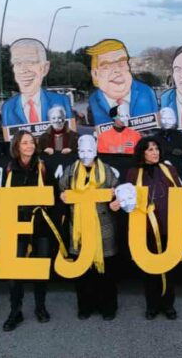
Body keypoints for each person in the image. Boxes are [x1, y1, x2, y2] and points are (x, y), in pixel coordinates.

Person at [58, 135, 121, 320]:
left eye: (89, 150)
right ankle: (85, 307)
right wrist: (62, 195)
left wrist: (116, 199)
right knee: (83, 271)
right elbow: (61, 187)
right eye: (82, 150)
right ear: (78, 151)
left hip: (103, 227)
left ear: (96, 150)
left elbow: (117, 191)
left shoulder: (107, 170)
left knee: (106, 272)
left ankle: (108, 307)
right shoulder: (71, 171)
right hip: (79, 228)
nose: (86, 154)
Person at [2, 131, 57, 331]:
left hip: (40, 227)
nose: (30, 146)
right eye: (25, 143)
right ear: (17, 146)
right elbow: (2, 198)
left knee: (40, 270)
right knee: (14, 272)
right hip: (16, 227)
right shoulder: (9, 168)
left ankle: (40, 307)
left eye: (32, 142)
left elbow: (54, 195)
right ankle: (15, 311)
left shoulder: (44, 166)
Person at [125, 137, 182, 320]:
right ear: (142, 152)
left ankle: (168, 305)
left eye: (156, 149)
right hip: (145, 229)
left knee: (169, 268)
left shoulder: (169, 170)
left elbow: (180, 195)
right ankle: (152, 305)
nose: (155, 152)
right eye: (150, 149)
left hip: (169, 226)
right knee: (149, 269)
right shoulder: (133, 173)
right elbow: (128, 199)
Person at [0, 38, 73, 126]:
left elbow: (69, 131)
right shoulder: (8, 107)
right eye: (18, 63)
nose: (23, 70)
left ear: (45, 68)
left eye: (30, 62)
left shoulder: (61, 101)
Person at [86, 39, 159, 125]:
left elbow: (156, 126)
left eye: (121, 64)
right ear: (95, 74)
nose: (117, 70)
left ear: (128, 66)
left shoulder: (146, 92)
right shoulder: (94, 100)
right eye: (106, 67)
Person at [152, 107, 182, 177]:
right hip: (160, 174)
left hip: (180, 173)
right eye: (163, 118)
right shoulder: (154, 138)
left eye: (169, 118)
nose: (166, 121)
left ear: (175, 120)